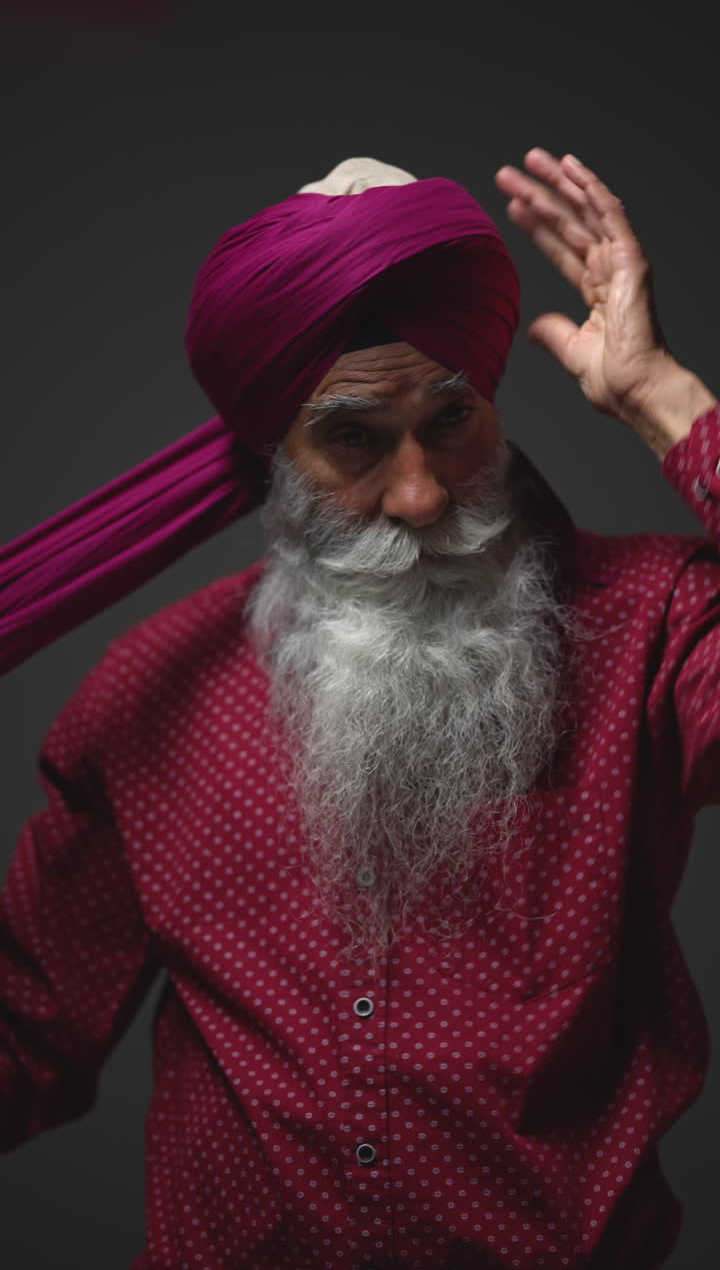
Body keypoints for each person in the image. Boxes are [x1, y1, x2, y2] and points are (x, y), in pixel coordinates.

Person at [1, 148, 718, 1269]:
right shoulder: (150, 691)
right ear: (271, 453)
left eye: (451, 421)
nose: (421, 495)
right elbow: (21, 1041)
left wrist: (664, 400)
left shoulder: (651, 627)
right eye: (353, 439)